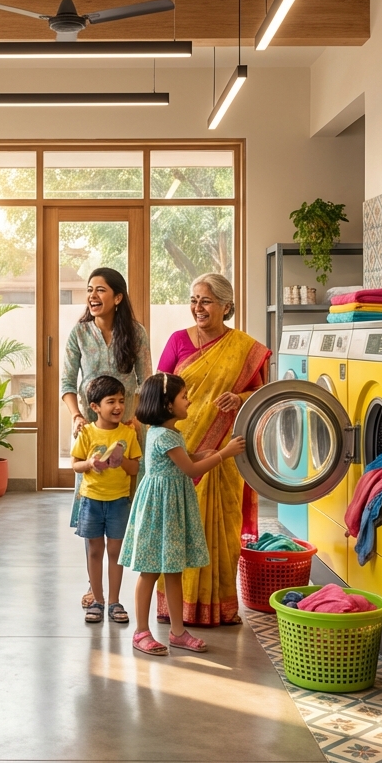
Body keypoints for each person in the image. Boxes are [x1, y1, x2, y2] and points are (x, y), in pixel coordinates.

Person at [156, 273, 269, 627]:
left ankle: (219, 606)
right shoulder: (177, 341)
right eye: (193, 300)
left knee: (222, 528)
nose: (197, 307)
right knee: (179, 528)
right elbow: (157, 393)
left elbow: (262, 397)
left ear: (225, 305)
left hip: (225, 449)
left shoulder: (245, 348)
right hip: (181, 445)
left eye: (205, 301)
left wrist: (239, 397)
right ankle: (177, 608)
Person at [121, 372, 246, 656]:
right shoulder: (164, 435)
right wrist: (224, 453)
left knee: (173, 571)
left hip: (170, 508)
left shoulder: (168, 433)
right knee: (150, 571)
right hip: (160, 510)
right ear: (167, 404)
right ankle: (141, 632)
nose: (189, 401)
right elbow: (191, 471)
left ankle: (177, 632)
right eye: (184, 396)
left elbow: (185, 461)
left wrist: (204, 453)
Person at [61, 268, 153, 608]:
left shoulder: (137, 334)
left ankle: (118, 589)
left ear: (118, 297)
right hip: (92, 431)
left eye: (100, 290)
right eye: (89, 290)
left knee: (123, 508)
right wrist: (76, 415)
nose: (92, 296)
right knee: (92, 506)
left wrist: (136, 416)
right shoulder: (79, 334)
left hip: (128, 432)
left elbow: (146, 381)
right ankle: (94, 587)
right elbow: (67, 383)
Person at [70, 375, 142, 625]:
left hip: (119, 502)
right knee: (94, 552)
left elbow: (134, 469)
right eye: (111, 401)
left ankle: (114, 601)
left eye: (121, 401)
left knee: (114, 552)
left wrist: (122, 460)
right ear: (95, 407)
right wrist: (89, 463)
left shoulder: (128, 433)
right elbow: (75, 465)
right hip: (91, 501)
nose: (118, 407)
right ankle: (97, 601)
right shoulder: (87, 432)